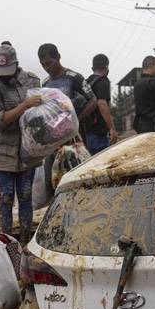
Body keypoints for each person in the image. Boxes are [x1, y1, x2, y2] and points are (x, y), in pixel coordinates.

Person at [0, 42, 41, 241]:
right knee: (6, 199)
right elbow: (0, 121)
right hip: (3, 151)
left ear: (16, 65)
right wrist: (25, 105)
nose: (5, 75)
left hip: (27, 148)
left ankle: (25, 241)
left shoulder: (33, 80)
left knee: (25, 197)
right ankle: (7, 242)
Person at [38, 43, 97, 195]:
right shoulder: (45, 83)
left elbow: (93, 101)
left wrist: (76, 120)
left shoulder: (74, 78)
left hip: (74, 140)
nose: (47, 67)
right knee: (53, 181)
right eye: (43, 64)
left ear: (58, 57)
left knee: (76, 177)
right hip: (54, 141)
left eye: (49, 63)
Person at [85, 54, 118, 155]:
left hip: (85, 131)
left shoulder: (86, 82)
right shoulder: (103, 81)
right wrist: (112, 128)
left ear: (92, 68)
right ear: (106, 67)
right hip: (98, 134)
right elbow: (102, 103)